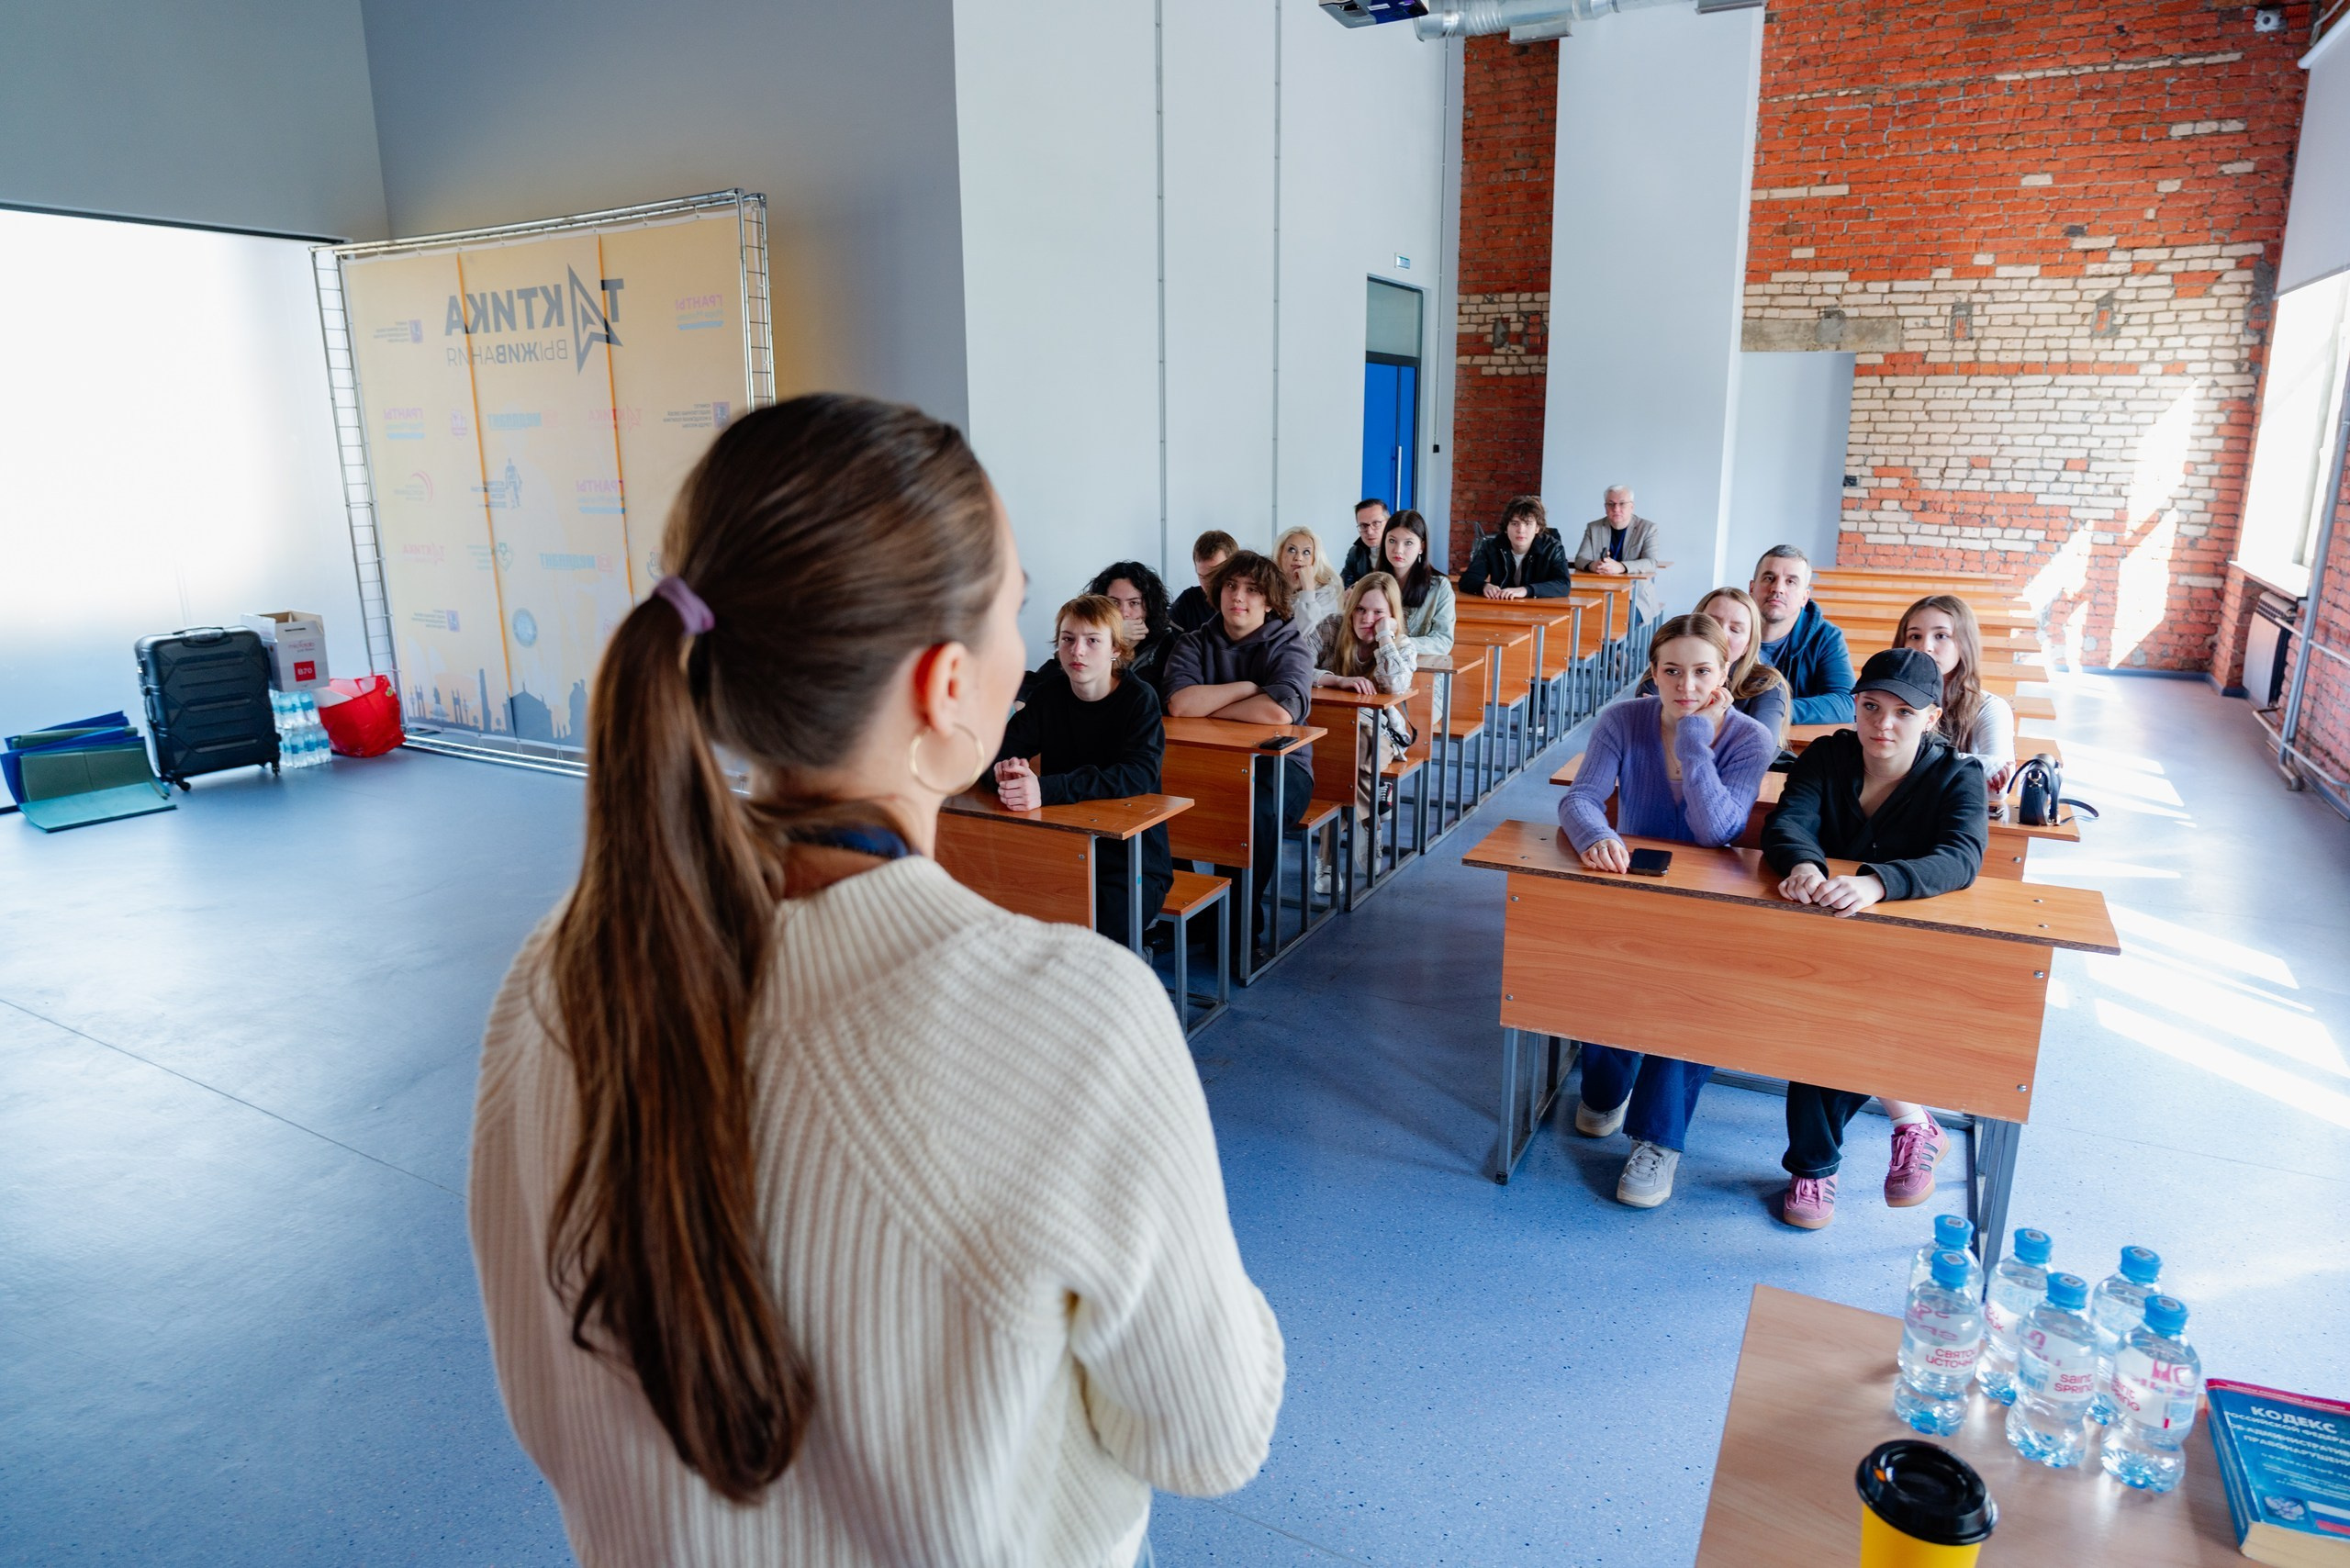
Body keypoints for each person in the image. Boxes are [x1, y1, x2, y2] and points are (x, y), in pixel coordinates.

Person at [469, 395, 1282, 1568]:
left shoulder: (553, 981)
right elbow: (1208, 1434)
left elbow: (544, 1404)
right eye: (1016, 607)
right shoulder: (1077, 1021)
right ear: (947, 686)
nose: (1032, 649)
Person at [1760, 647, 1989, 1231]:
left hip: (1908, 947)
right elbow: (1789, 822)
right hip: (1822, 939)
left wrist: (1877, 884)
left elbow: (1962, 857)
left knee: (1830, 1021)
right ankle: (1910, 1122)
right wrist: (1804, 866)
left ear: (1931, 718)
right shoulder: (1830, 754)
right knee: (1826, 1010)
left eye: (1903, 713)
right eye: (1870, 707)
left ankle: (1813, 1168)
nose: (1883, 724)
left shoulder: (1955, 774)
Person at [1558, 614, 1774, 1209]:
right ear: (1652, 673)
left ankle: (1657, 1140)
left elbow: (1717, 829)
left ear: (1725, 673)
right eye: (1671, 670)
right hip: (1633, 893)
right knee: (1604, 997)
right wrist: (1594, 835)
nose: (1686, 685)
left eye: (1702, 671)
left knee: (1688, 1003)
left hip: (1710, 909)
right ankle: (1607, 1086)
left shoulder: (1750, 738)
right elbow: (1580, 797)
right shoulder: (1621, 720)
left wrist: (1694, 739)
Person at [995, 594, 1174, 948]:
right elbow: (1000, 750)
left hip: (1131, 858)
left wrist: (1046, 789)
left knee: (1100, 933)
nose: (1077, 651)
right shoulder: (1049, 695)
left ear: (1115, 650)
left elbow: (1137, 774)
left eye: (1092, 641)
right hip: (1062, 843)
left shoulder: (1140, 699)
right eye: (1068, 639)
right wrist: (1008, 772)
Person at [1164, 550, 1317, 956]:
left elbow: (1278, 711)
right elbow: (1179, 704)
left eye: (1252, 590)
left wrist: (1211, 703)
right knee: (1156, 802)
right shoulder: (1194, 642)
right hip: (1207, 764)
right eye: (1231, 586)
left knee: (1250, 812)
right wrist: (1250, 687)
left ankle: (1238, 929)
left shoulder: (1290, 645)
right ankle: (1196, 914)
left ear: (1269, 601)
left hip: (1281, 770)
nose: (1239, 597)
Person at [1310, 571, 1418, 878]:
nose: (1366, 618)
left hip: (1381, 733)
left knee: (1355, 748)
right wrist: (1337, 680)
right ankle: (1372, 819)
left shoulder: (1402, 645)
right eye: (1360, 609)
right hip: (1327, 728)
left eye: (1378, 612)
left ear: (1392, 615)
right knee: (1347, 757)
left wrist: (1385, 637)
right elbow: (1295, 666)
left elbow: (1396, 685)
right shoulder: (1331, 627)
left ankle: (1327, 862)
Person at [1897, 594, 2017, 793]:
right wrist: (1970, 765)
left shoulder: (1990, 708)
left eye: (1941, 636)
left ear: (1964, 643)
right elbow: (1868, 764)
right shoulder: (1885, 697)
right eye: (1915, 636)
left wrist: (1906, 763)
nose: (1925, 647)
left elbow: (1996, 791)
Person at [1749, 545, 1854, 724]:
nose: (1778, 588)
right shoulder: (1728, 628)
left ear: (1805, 597)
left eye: (1791, 582)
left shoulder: (1826, 637)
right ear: (1752, 588)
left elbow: (1846, 703)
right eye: (1769, 578)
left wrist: (1772, 710)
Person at [1695, 585, 1791, 745]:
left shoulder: (1768, 685)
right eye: (1712, 623)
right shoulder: (1666, 669)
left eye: (1735, 629)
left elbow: (1759, 751)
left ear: (1748, 645)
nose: (1722, 634)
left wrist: (1694, 725)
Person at [1569, 484, 1663, 620]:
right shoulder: (1594, 527)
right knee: (1583, 619)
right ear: (1605, 507)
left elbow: (1651, 562)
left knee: (1616, 619)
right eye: (1611, 504)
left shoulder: (1648, 528)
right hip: (1598, 591)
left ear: (1632, 506)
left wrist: (1621, 567)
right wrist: (1592, 565)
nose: (1616, 509)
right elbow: (1581, 559)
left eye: (1622, 504)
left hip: (1635, 594)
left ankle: (1611, 642)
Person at [1085, 561, 1178, 692]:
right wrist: (1113, 640)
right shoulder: (1083, 636)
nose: (1123, 613)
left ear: (1149, 608)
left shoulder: (1166, 645)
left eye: (1134, 603)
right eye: (1114, 602)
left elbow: (1135, 697)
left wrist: (1121, 649)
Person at [1458, 495, 1572, 600]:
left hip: (1538, 610)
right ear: (1506, 527)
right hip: (1502, 607)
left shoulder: (1553, 548)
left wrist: (1526, 590)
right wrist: (1484, 586)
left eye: (1527, 524)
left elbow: (1563, 585)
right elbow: (1467, 579)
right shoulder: (1491, 546)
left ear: (1537, 528)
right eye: (1515, 524)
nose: (1521, 530)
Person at [1379, 510, 1455, 657]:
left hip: (1423, 667)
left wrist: (1394, 642)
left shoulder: (1440, 587)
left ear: (1421, 547)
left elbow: (1443, 642)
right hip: (1376, 668)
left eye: (1408, 543)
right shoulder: (1372, 583)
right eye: (1392, 541)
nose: (1398, 550)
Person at [1275, 526, 1342, 633]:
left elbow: (1305, 636)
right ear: (1280, 554)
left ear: (1314, 559)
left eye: (1306, 552)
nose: (1298, 557)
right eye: (1292, 550)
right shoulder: (1269, 585)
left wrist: (1308, 591)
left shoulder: (1326, 592)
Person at [1169, 530, 1237, 634]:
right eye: (1202, 577)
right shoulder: (1187, 603)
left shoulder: (1247, 604)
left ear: (1234, 568)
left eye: (1215, 575)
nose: (1209, 584)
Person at [1340, 498, 1390, 588]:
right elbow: (1344, 585)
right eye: (1363, 525)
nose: (1369, 531)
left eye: (1376, 523)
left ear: (1388, 523)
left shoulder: (1398, 551)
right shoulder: (1355, 552)